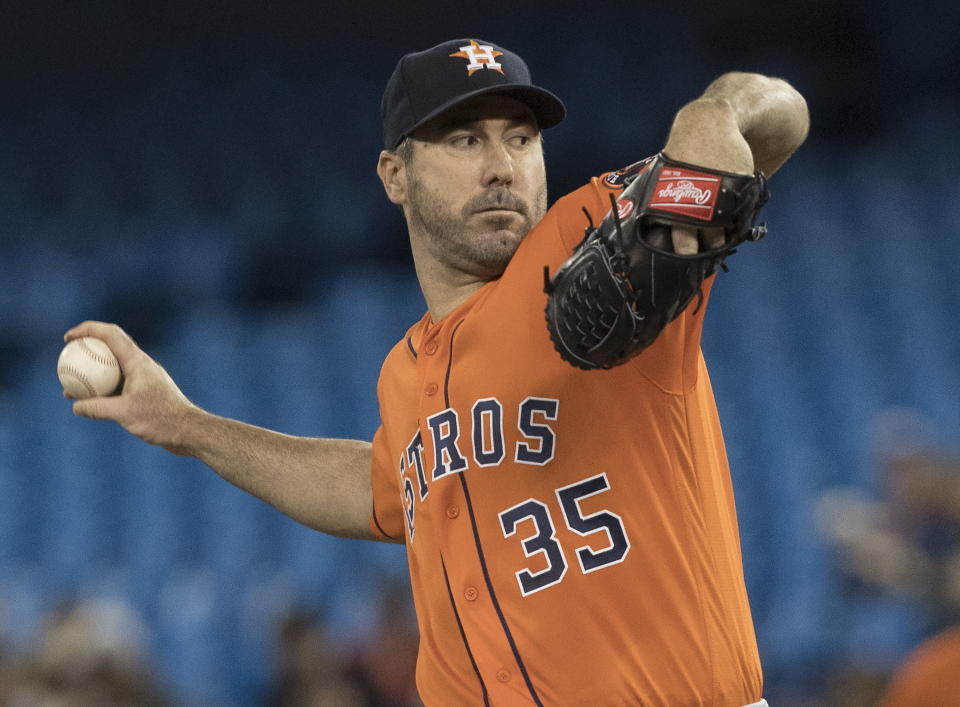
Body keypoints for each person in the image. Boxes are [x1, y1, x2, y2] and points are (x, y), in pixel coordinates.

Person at [65, 38, 808, 706]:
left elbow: (778, 118)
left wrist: (712, 113)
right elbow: (380, 488)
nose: (501, 165)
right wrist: (186, 426)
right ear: (394, 175)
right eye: (464, 138)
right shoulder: (405, 370)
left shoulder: (593, 235)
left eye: (521, 138)